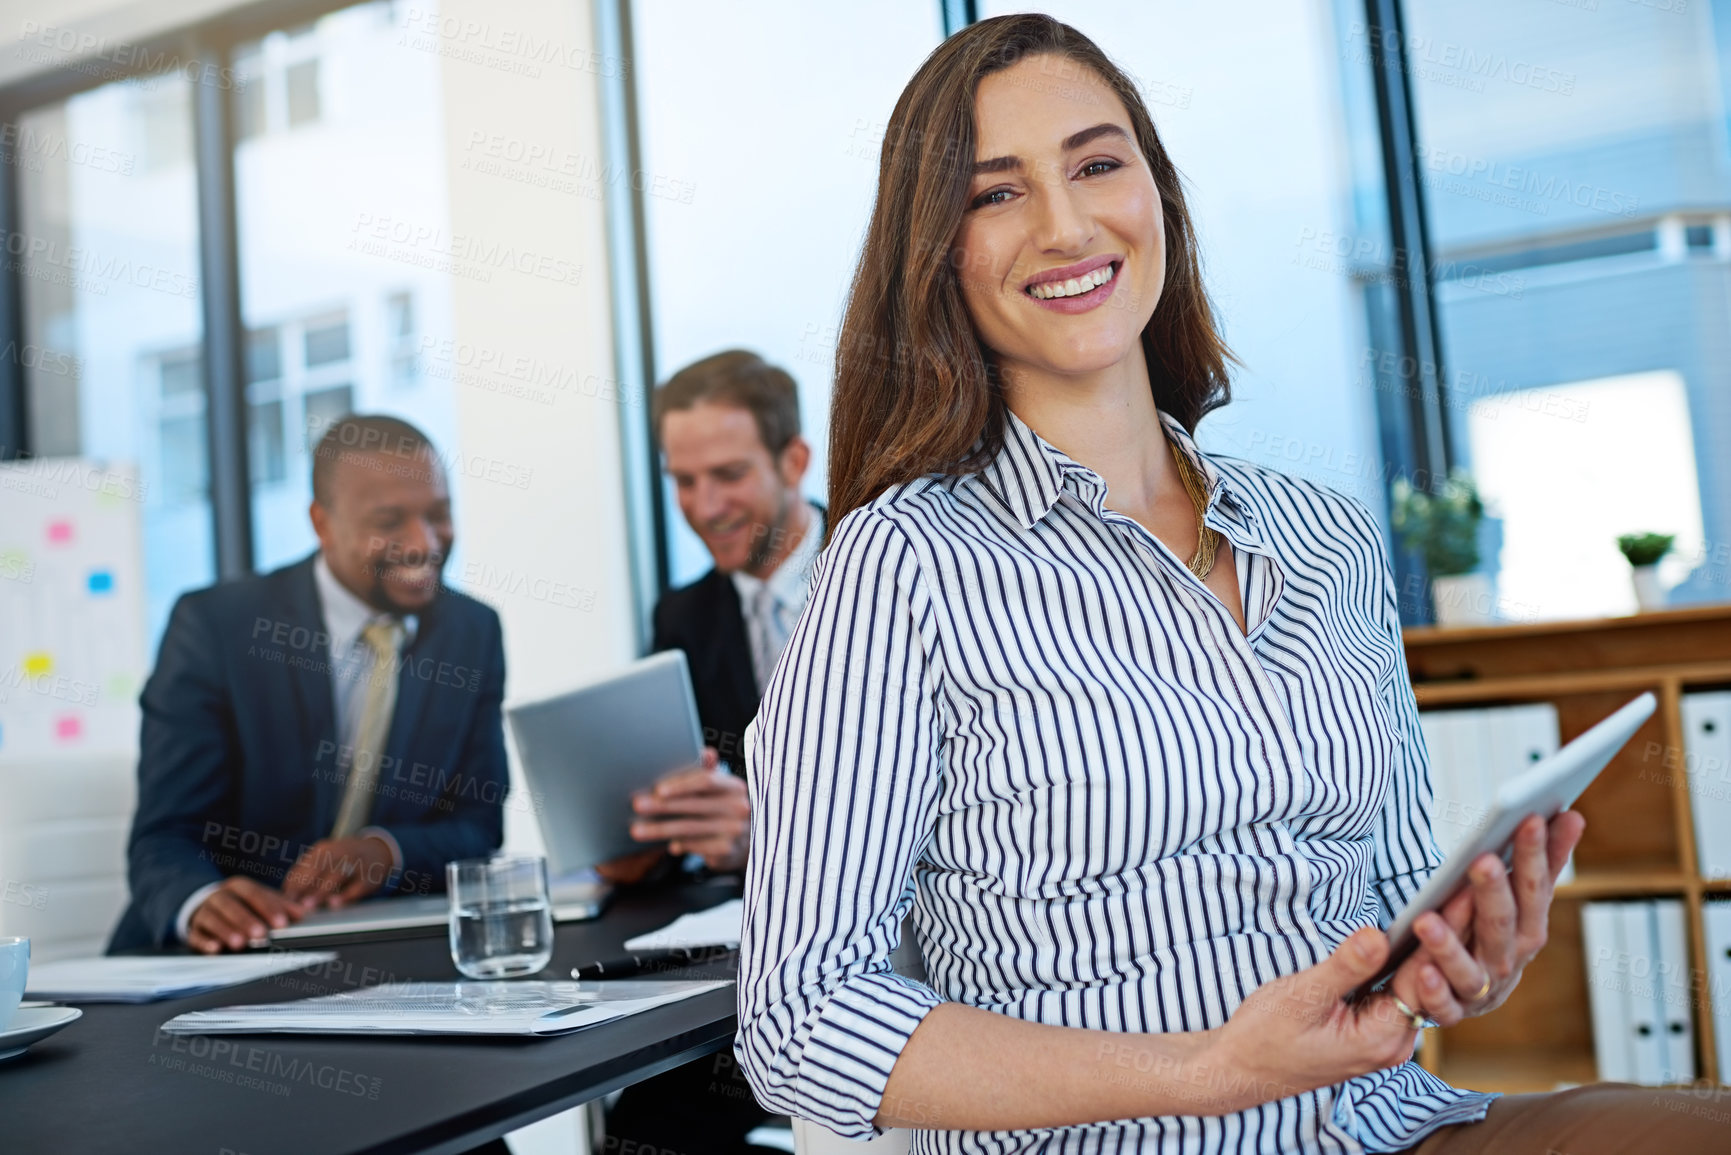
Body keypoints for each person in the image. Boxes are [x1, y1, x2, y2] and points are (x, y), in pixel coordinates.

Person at [734, 14, 1727, 1155]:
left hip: (1391, 1129)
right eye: (995, 193)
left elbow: (1392, 913)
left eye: (1098, 165)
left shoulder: (1327, 538)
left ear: (1158, 193)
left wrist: (1465, 963)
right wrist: (1200, 1071)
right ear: (936, 249)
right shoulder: (903, 565)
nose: (1066, 225)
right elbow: (800, 1020)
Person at [109, 414, 509, 954]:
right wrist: (201, 900)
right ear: (322, 523)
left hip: (374, 951)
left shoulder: (471, 631)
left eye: (439, 514)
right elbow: (165, 836)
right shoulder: (217, 628)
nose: (424, 542)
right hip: (215, 960)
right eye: (390, 522)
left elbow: (478, 825)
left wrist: (387, 853)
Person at [607, 350, 827, 1155]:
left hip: (891, 955)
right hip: (745, 961)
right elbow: (684, 783)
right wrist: (641, 836)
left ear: (794, 459)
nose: (703, 505)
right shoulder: (684, 617)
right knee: (645, 1126)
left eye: (727, 474)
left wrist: (763, 828)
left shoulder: (885, 578)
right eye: (682, 480)